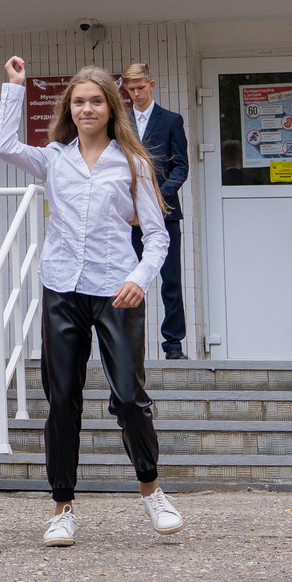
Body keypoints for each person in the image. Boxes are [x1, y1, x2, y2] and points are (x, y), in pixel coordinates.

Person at [0, 58, 183, 545]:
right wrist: (15, 89)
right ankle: (62, 508)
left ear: (111, 106)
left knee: (128, 397)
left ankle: (152, 489)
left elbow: (158, 237)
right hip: (62, 288)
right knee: (62, 401)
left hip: (116, 290)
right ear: (68, 107)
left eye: (96, 101)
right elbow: (3, 145)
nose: (86, 108)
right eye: (78, 101)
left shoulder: (134, 162)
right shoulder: (54, 157)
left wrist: (141, 278)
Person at [119, 63, 192, 360]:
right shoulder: (119, 121)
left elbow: (181, 167)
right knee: (127, 279)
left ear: (151, 84)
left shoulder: (172, 120)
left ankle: (173, 345)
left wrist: (156, 199)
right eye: (130, 89)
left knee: (170, 280)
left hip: (164, 212)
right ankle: (127, 346)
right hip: (127, 216)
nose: (135, 94)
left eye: (140, 88)